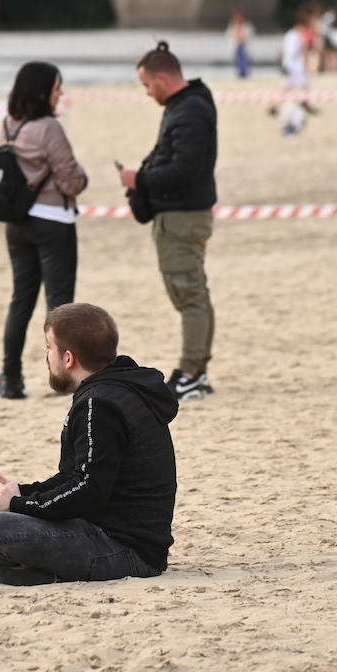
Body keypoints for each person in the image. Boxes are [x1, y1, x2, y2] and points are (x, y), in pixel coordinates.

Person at [0, 303, 177, 585]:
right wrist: (21, 493)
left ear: (68, 359)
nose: (45, 354)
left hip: (125, 551)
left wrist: (16, 506)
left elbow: (88, 490)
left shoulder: (99, 404)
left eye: (49, 346)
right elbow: (77, 478)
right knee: (5, 524)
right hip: (120, 539)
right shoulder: (117, 389)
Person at [0, 62, 89, 401]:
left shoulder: (8, 125)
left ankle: (12, 380)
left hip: (17, 223)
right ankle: (65, 381)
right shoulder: (50, 127)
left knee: (20, 301)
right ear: (42, 91)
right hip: (53, 220)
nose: (60, 94)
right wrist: (83, 176)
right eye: (56, 88)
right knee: (60, 304)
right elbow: (71, 180)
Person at [118, 41, 217, 402]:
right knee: (195, 294)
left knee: (188, 295)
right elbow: (170, 157)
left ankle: (191, 374)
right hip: (185, 215)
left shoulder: (189, 111)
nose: (147, 93)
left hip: (181, 217)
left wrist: (139, 181)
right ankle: (196, 369)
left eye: (146, 85)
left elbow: (184, 169)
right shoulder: (186, 105)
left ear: (162, 78)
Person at [275, 5, 318, 136]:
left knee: (290, 87)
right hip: (295, 66)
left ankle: (278, 105)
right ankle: (303, 104)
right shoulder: (297, 35)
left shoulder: (290, 34)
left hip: (290, 65)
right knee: (298, 87)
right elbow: (300, 51)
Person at [226, 10, 254, 78]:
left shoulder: (248, 26)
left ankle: (245, 74)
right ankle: (240, 75)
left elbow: (248, 36)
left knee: (245, 61)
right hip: (236, 46)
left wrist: (241, 36)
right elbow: (228, 35)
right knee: (237, 62)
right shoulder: (233, 26)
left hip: (244, 46)